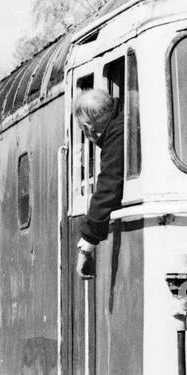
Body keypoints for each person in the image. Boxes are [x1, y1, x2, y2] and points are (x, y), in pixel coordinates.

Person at [72, 88, 125, 279]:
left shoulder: (117, 136)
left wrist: (86, 246)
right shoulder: (126, 116)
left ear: (88, 128)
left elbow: (108, 188)